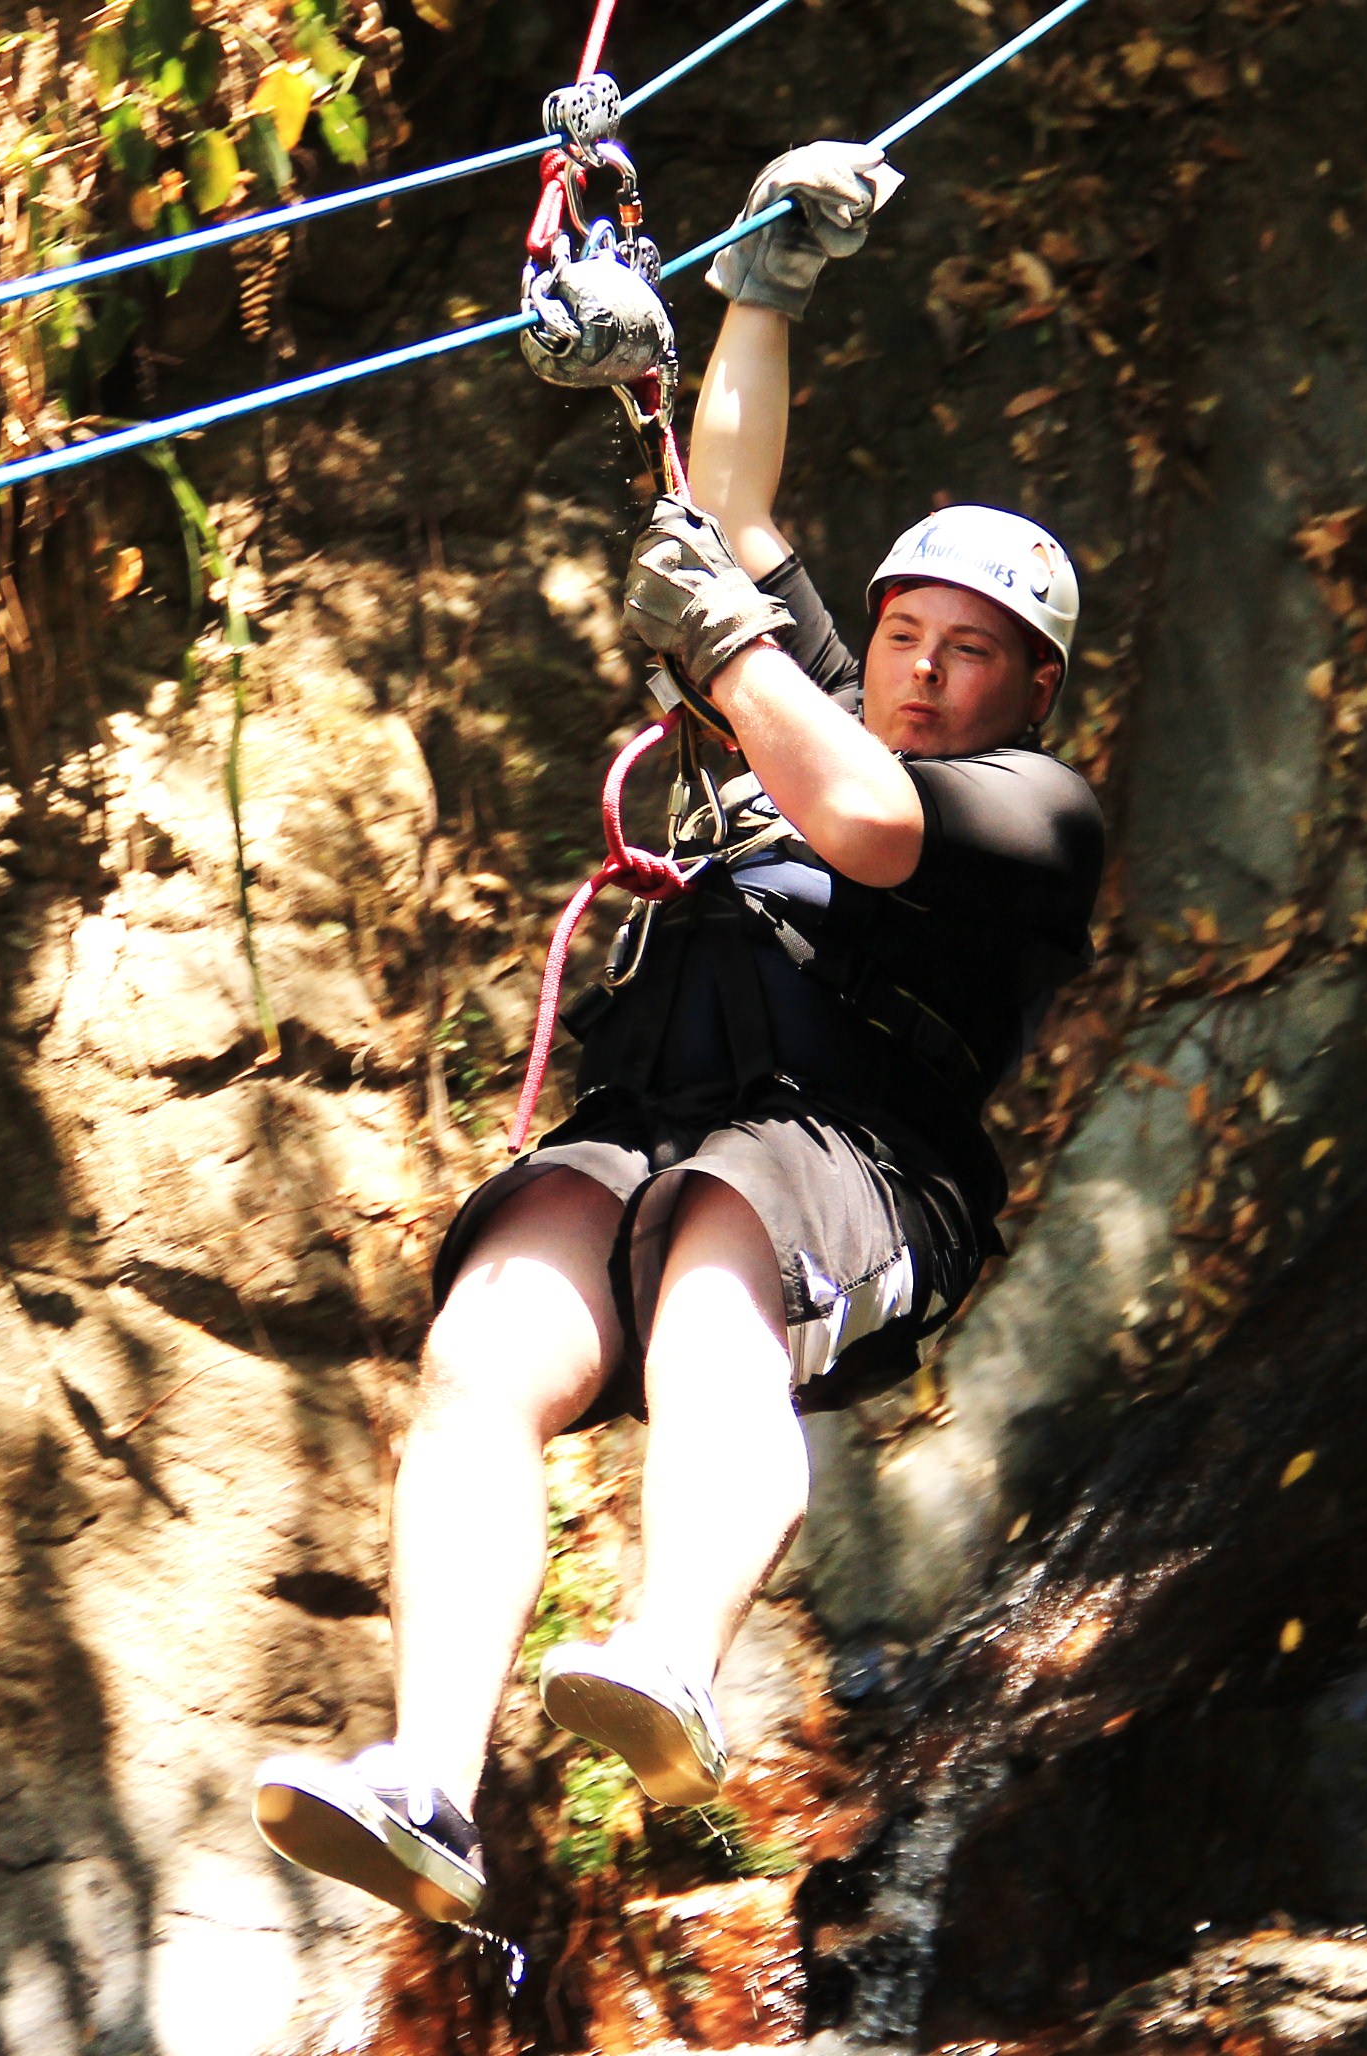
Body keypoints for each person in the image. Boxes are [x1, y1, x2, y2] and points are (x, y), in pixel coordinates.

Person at [250, 141, 1106, 1923]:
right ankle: (427, 1780)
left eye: (969, 651)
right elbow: (728, 507)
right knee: (486, 1347)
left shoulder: (1034, 809)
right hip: (653, 1119)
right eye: (901, 632)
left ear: (1034, 686)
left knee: (719, 1282)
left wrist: (724, 653)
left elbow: (866, 818)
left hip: (854, 1160)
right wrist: (761, 290)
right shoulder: (817, 704)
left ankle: (675, 1659)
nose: (920, 668)